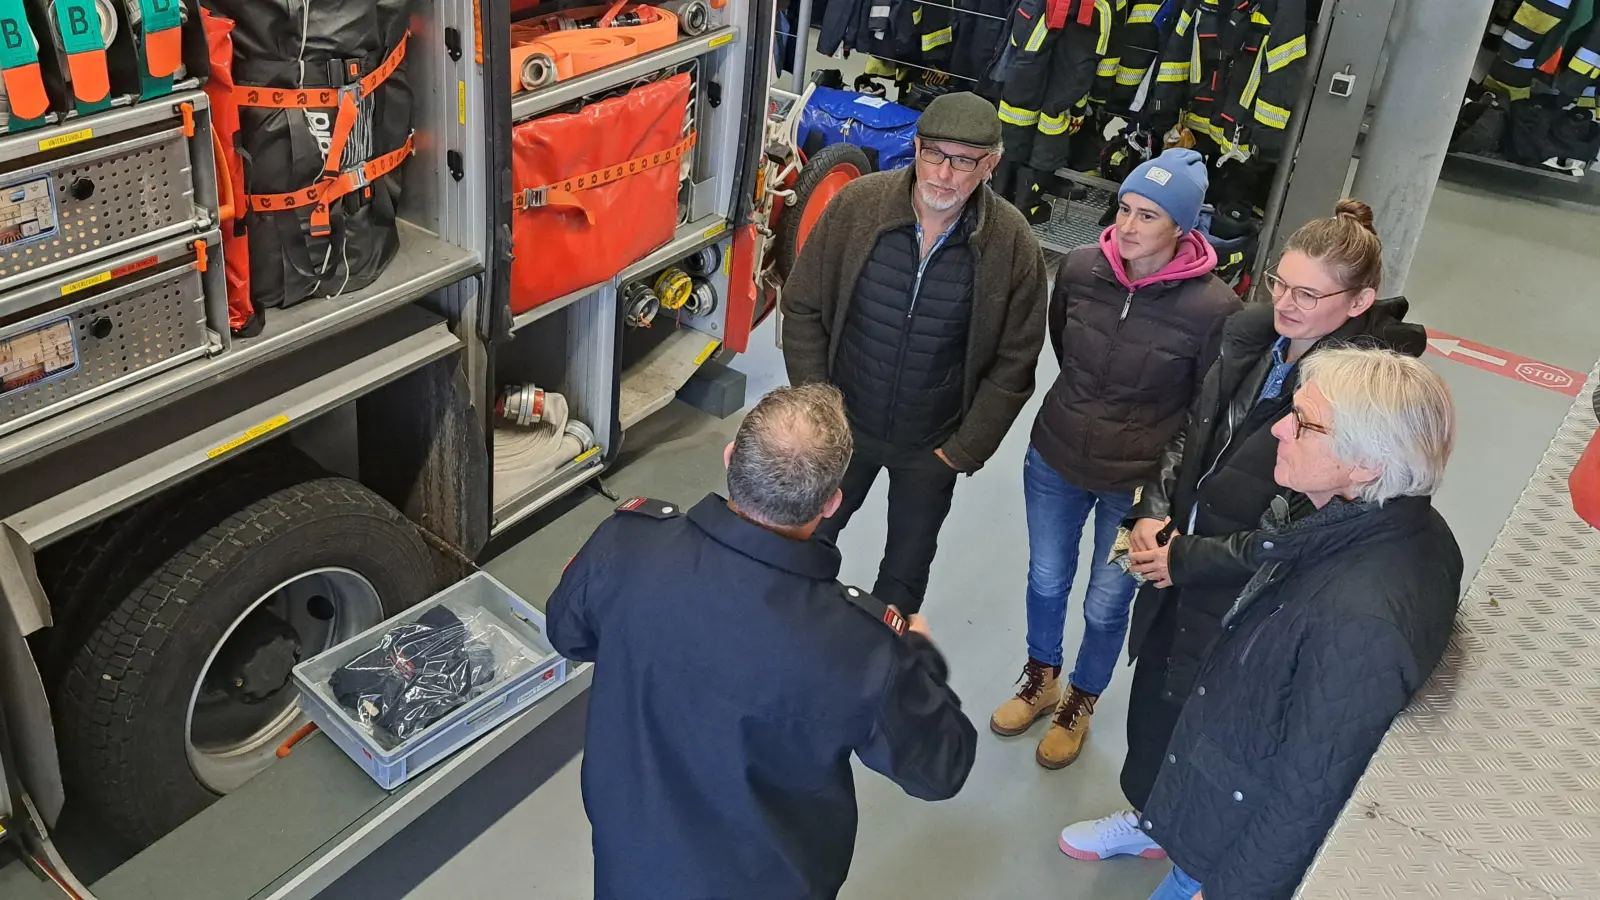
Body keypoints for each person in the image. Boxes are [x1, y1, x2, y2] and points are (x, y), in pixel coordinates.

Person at [1057, 199, 1429, 862]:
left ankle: (1197, 850)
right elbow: (1188, 430)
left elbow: (1305, 530)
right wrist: (1152, 510)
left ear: (1358, 301)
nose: (1286, 303)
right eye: (1279, 283)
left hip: (1244, 588)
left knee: (1217, 726)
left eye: (1308, 294)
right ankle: (1149, 820)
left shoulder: (1359, 400)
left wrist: (1191, 560)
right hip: (1180, 566)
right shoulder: (1248, 338)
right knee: (1155, 702)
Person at [545, 383, 979, 900]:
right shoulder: (864, 651)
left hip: (631, 869)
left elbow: (566, 634)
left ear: (731, 458)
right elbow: (942, 768)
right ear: (832, 503)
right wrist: (920, 658)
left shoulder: (628, 544)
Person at [1139, 346, 1464, 900]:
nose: (1281, 429)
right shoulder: (1393, 527)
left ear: (1367, 462)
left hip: (1230, 863)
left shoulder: (1359, 624)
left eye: (1305, 423)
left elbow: (1308, 794)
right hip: (1222, 823)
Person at [989, 148, 1241, 771]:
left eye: (1148, 216)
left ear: (1182, 228)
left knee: (1108, 602)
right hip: (1054, 458)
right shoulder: (1078, 270)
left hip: (1138, 489)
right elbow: (1062, 345)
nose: (1128, 228)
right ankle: (1041, 676)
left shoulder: (1215, 311)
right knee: (1046, 579)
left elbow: (1201, 412)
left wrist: (1163, 496)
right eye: (1123, 209)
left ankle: (1080, 699)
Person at [781, 90, 1048, 616]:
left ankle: (880, 670)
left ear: (990, 165)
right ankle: (789, 639)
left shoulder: (1012, 243)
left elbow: (1017, 361)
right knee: (805, 544)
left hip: (932, 446)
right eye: (934, 154)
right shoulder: (858, 206)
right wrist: (818, 406)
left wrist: (962, 450)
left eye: (964, 161)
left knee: (904, 571)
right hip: (843, 428)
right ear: (917, 147)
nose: (944, 174)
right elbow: (804, 305)